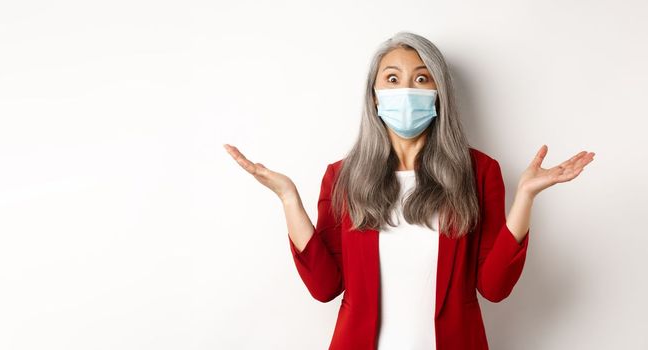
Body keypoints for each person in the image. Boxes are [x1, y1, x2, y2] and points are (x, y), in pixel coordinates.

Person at [223, 31, 594, 350]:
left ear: (438, 93)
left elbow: (494, 287)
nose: (406, 90)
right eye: (392, 78)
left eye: (421, 79)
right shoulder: (342, 177)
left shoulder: (479, 172)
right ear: (374, 96)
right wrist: (289, 199)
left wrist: (525, 197)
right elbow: (325, 287)